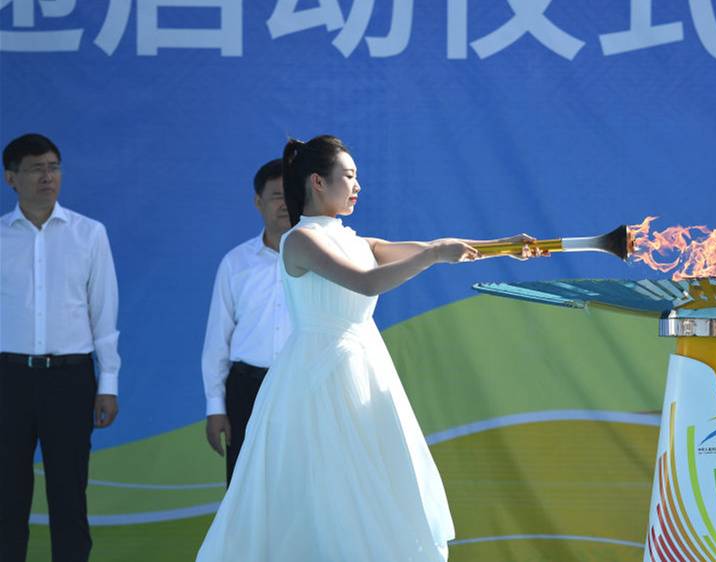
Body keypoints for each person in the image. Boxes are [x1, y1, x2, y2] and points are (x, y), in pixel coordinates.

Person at [196, 135, 538, 561]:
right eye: (350, 176)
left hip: (365, 372)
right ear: (318, 182)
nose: (358, 186)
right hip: (314, 383)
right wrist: (432, 253)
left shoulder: (359, 241)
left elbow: (445, 252)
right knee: (323, 494)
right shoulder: (300, 241)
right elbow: (367, 282)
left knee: (375, 489)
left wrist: (504, 247)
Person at [0, 133, 120, 562]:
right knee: (7, 498)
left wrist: (108, 383)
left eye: (53, 167)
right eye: (36, 168)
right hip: (8, 379)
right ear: (12, 178)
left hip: (70, 379)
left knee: (69, 497)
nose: (47, 176)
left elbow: (103, 315)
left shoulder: (89, 235)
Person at [201, 159, 292, 485]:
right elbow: (217, 340)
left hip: (302, 387)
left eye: (292, 193)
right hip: (247, 390)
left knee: (303, 491)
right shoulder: (236, 263)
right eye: (277, 195)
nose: (285, 203)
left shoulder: (324, 261)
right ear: (258, 201)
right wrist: (216, 407)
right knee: (245, 492)